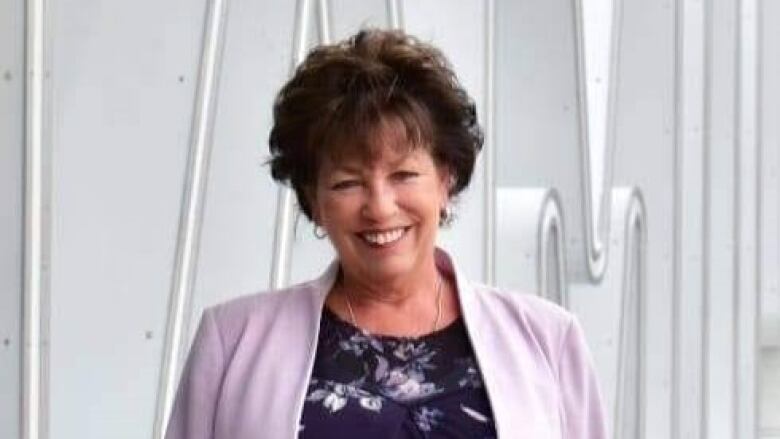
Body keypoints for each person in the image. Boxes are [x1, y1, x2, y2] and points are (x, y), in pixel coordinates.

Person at [165, 29, 607, 439]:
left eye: (404, 174)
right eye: (347, 182)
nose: (379, 207)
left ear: (446, 180)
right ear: (313, 200)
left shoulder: (547, 339)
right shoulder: (232, 341)